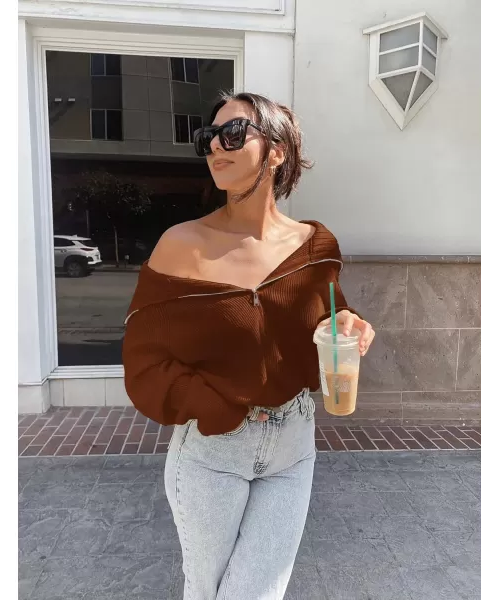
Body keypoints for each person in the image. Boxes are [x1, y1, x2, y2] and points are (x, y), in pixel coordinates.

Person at [122, 92, 375, 600]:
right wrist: (215, 408)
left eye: (233, 133)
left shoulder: (315, 246)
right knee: (207, 590)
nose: (216, 146)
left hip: (292, 448)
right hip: (213, 451)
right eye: (208, 138)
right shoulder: (181, 245)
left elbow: (326, 317)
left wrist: (347, 324)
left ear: (277, 150)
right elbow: (143, 360)